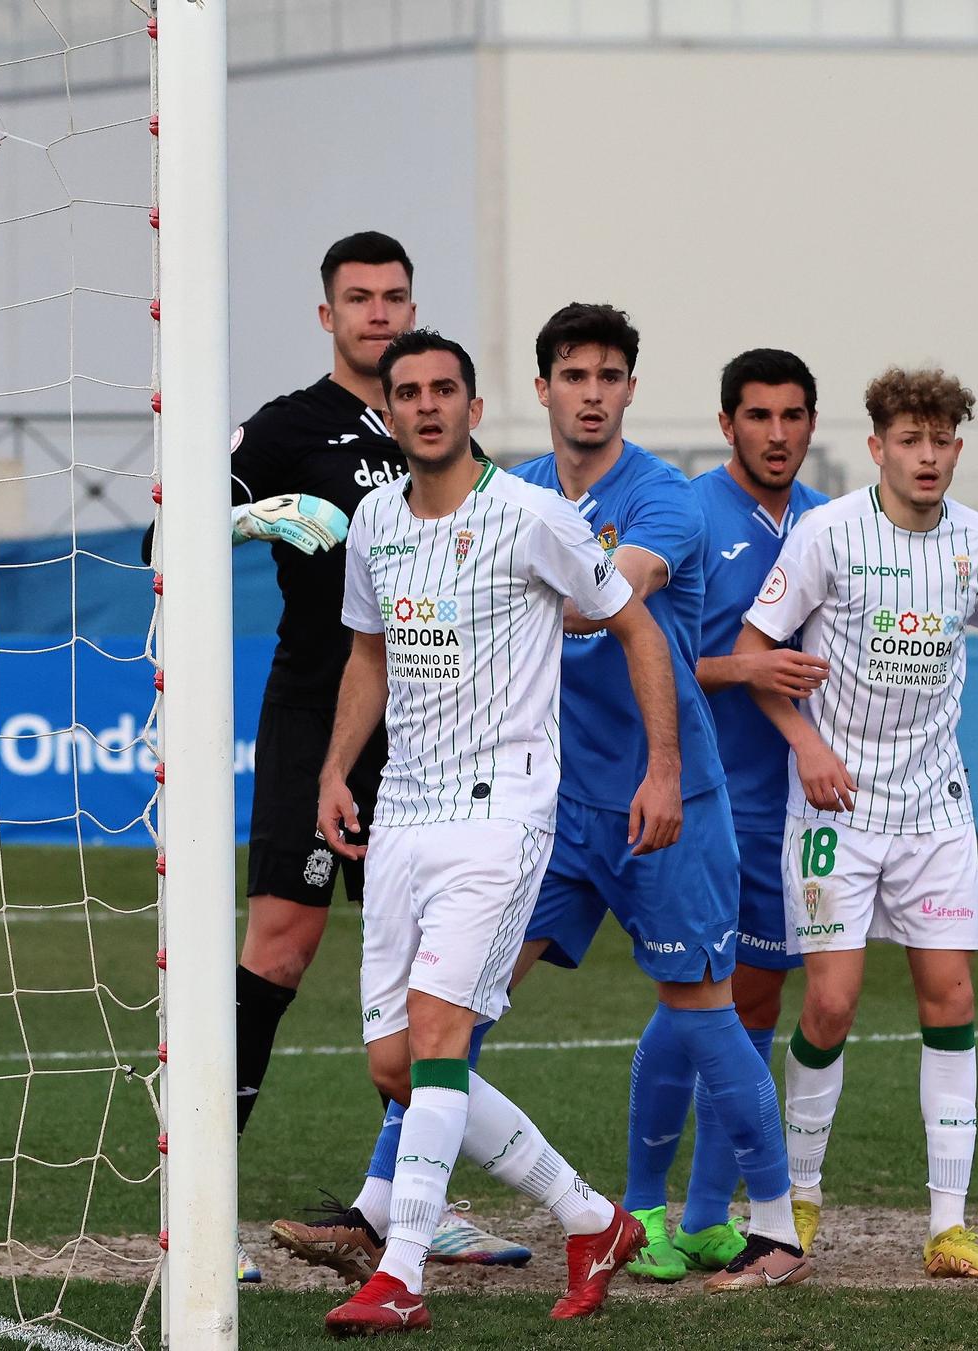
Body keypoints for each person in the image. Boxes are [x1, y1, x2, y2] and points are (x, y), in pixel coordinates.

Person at [315, 329, 656, 1333]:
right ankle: (590, 1217)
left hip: (501, 813)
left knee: (436, 1036)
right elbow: (368, 654)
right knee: (398, 1065)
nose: (426, 405)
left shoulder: (534, 515)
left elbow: (632, 624)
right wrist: (334, 768)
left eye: (444, 390)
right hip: (401, 814)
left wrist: (665, 766)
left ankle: (401, 1275)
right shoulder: (374, 519)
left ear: (473, 407)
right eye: (407, 392)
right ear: (387, 413)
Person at [503, 303, 810, 1292]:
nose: (591, 392)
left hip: (665, 798)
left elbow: (604, 597)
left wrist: (496, 582)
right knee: (458, 1006)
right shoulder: (512, 492)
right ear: (542, 387)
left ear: (630, 389)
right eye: (573, 375)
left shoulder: (665, 499)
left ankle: (772, 1230)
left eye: (608, 376)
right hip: (552, 808)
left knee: (707, 1008)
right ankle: (389, 1211)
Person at [237, 234, 527, 1283]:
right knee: (280, 946)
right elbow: (158, 538)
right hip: (318, 716)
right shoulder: (286, 428)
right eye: (357, 298)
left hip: (439, 732)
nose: (376, 312)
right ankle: (200, 1202)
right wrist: (256, 514)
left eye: (393, 296)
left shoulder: (436, 426)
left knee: (429, 980)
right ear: (327, 316)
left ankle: (415, 1202)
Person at [734, 365, 978, 1278]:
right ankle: (799, 1197)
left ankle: (948, 1227)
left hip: (934, 809)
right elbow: (755, 654)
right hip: (834, 809)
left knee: (950, 997)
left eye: (941, 440)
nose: (927, 456)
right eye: (910, 440)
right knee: (830, 1003)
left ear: (958, 447)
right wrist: (806, 744)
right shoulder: (828, 533)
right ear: (877, 447)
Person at [653, 349, 829, 1263]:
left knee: (755, 998)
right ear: (727, 424)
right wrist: (746, 666)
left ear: (811, 424)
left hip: (796, 807)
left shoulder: (828, 522)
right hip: (710, 798)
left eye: (792, 415)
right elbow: (649, 650)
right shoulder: (689, 514)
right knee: (695, 995)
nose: (776, 432)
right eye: (758, 415)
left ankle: (702, 1215)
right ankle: (645, 1209)